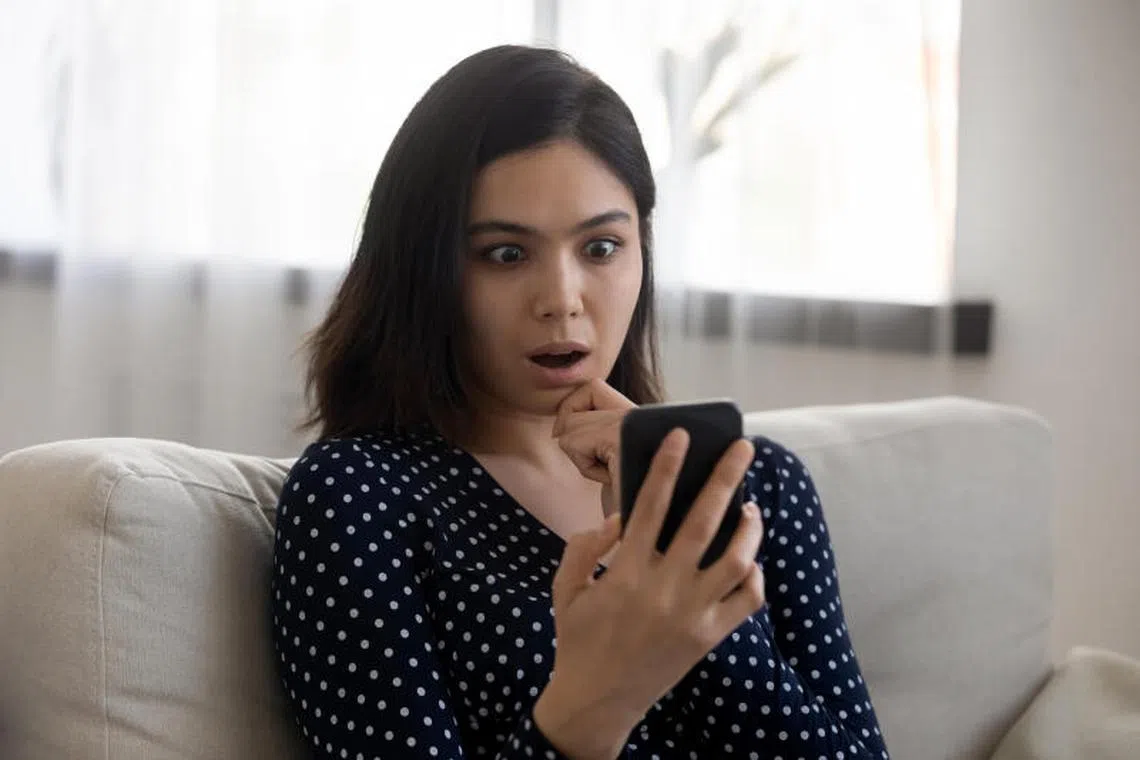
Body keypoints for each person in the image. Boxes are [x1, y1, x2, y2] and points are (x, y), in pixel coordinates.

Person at [271, 44, 889, 759]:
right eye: (506, 254)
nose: (562, 301)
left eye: (600, 248)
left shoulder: (755, 486)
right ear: (423, 269)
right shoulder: (359, 497)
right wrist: (595, 701)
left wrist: (673, 556)